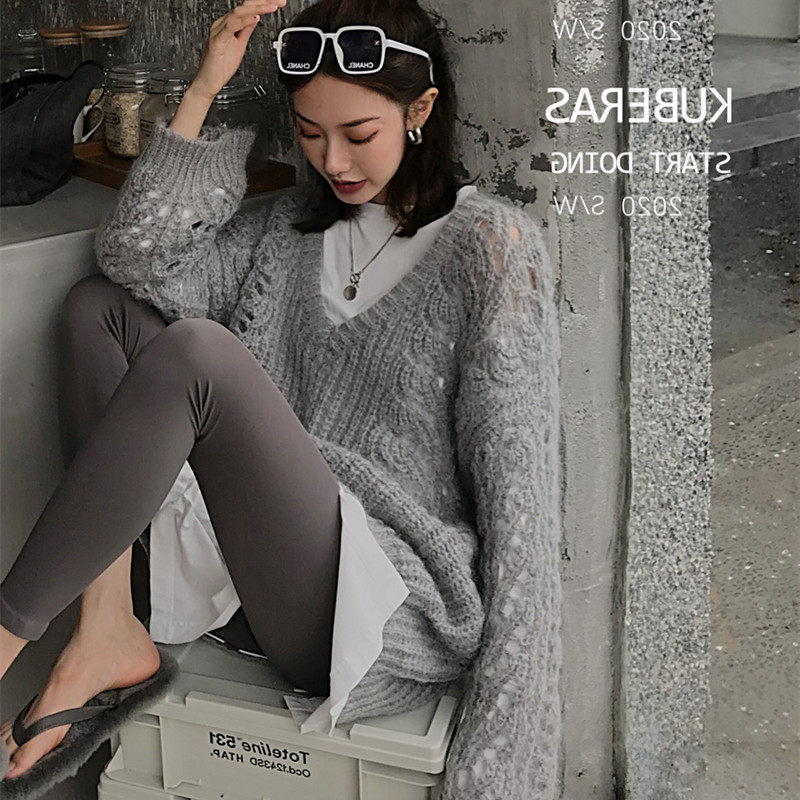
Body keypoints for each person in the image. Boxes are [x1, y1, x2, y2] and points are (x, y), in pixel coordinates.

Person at [0, 0, 563, 797]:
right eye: (309, 132)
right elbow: (137, 259)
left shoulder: (490, 250)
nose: (332, 160)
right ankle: (106, 625)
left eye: (359, 134)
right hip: (243, 575)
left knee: (198, 353)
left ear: (421, 111)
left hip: (370, 606)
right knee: (99, 307)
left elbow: (522, 511)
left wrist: (497, 772)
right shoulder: (286, 229)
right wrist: (202, 90)